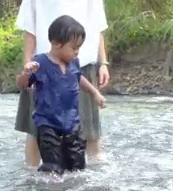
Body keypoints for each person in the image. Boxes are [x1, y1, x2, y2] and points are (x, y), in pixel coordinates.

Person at [14, 0, 110, 166]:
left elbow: (97, 29)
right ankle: (32, 175)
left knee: (89, 130)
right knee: (38, 131)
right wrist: (28, 68)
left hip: (81, 67)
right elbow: (30, 32)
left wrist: (103, 63)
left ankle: (93, 175)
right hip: (44, 68)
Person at [17, 14, 107, 174]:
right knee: (52, 168)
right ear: (56, 43)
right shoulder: (40, 63)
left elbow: (79, 78)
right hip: (48, 124)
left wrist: (95, 93)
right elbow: (24, 84)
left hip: (72, 123)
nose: (77, 52)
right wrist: (25, 74)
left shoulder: (74, 63)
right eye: (74, 48)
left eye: (79, 47)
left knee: (77, 167)